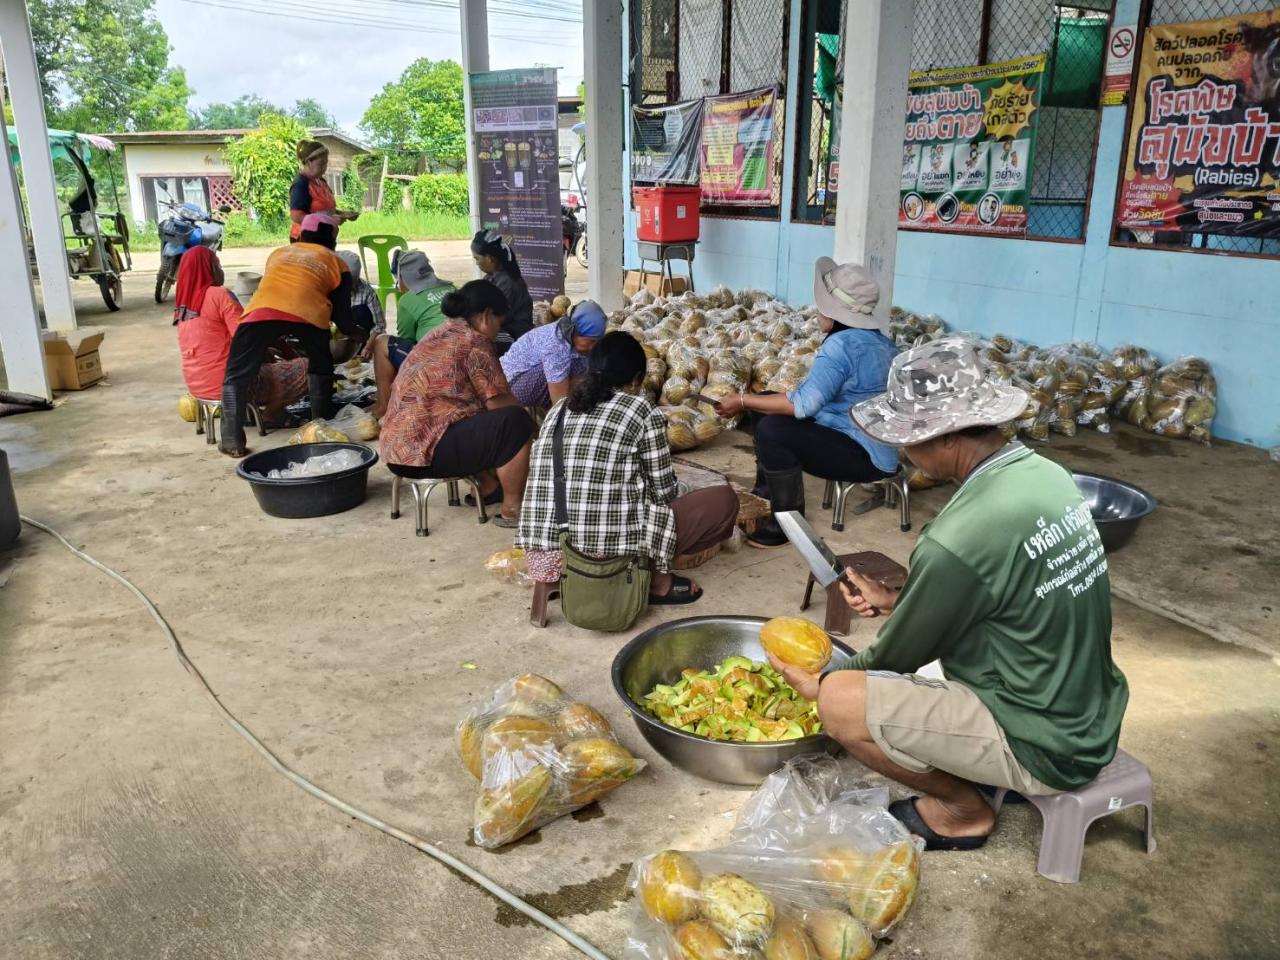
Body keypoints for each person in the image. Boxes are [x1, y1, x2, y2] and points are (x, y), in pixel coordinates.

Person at [766, 337, 1129, 852]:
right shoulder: (1046, 476)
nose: (902, 451)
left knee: (842, 702)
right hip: (1088, 712)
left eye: (906, 438)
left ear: (946, 438)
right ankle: (989, 764)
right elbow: (1004, 588)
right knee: (892, 679)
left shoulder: (956, 538)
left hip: (1048, 742)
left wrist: (818, 680)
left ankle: (963, 810)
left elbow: (894, 657)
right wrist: (900, 600)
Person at [517, 332, 739, 605]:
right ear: (636, 379)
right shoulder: (642, 410)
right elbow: (663, 492)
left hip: (546, 560)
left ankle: (558, 585)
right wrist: (683, 489)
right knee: (724, 500)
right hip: (608, 558)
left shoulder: (560, 409)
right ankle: (655, 581)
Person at [715, 258, 898, 547]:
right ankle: (766, 492)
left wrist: (739, 400)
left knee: (772, 430)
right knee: (763, 403)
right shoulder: (880, 342)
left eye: (822, 307)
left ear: (837, 313)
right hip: (867, 441)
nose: (817, 312)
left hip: (864, 454)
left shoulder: (840, 346)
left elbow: (804, 405)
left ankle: (788, 522)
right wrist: (751, 401)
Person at [379, 280, 533, 529]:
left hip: (396, 452)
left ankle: (489, 487)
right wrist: (533, 421)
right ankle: (513, 509)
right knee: (515, 422)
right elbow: (497, 403)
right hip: (426, 455)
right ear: (485, 316)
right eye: (498, 322)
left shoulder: (440, 333)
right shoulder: (475, 342)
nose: (497, 330)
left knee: (471, 415)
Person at [218, 213, 364, 456]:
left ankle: (232, 440)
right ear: (331, 239)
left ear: (302, 234)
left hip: (259, 313)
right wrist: (357, 333)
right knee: (321, 364)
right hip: (309, 314)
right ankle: (320, 425)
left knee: (236, 374)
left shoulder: (279, 253)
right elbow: (342, 318)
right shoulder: (338, 264)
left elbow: (277, 291)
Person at [173, 246, 307, 423]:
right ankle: (271, 414)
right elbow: (246, 337)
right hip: (232, 386)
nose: (221, 271)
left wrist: (267, 351)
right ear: (210, 269)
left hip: (198, 388)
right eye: (218, 266)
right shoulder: (220, 295)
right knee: (308, 367)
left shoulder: (182, 307)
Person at [370, 250, 456, 418]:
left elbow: (406, 340)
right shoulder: (453, 288)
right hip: (463, 355)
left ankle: (384, 407)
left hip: (435, 364)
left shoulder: (408, 300)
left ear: (403, 278)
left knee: (382, 343)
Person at [499, 299, 605, 409]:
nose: (593, 346)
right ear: (576, 332)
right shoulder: (556, 344)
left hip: (524, 380)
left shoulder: (569, 335)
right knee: (569, 368)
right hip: (511, 386)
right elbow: (559, 399)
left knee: (583, 364)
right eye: (591, 341)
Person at [471, 229, 533, 353]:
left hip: (515, 337)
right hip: (504, 330)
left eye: (477, 259)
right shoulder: (492, 277)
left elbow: (491, 319)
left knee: (476, 339)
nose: (477, 263)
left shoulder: (508, 282)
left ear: (489, 258)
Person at [288, 139, 358, 242]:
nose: (324, 168)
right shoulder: (301, 184)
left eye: (326, 163)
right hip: (306, 239)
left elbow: (323, 210)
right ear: (309, 162)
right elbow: (297, 217)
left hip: (324, 237)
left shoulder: (321, 181)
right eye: (321, 164)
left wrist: (342, 214)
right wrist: (328, 220)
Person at [335, 251, 385, 349]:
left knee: (360, 311)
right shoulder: (326, 288)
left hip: (360, 341)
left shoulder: (367, 291)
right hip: (335, 341)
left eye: (351, 283)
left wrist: (368, 347)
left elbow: (380, 325)